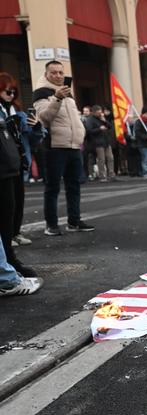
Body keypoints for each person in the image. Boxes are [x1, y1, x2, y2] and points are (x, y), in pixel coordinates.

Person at [32, 60, 94, 235]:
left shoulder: (69, 93)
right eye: (54, 73)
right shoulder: (41, 92)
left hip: (74, 146)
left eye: (60, 72)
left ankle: (74, 221)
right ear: (47, 74)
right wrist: (57, 98)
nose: (58, 76)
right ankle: (51, 225)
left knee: (74, 186)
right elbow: (44, 118)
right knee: (52, 187)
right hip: (54, 147)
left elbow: (74, 119)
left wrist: (80, 134)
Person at [0, 74, 42, 274]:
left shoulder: (16, 111)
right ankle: (8, 263)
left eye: (13, 91)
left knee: (13, 208)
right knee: (5, 213)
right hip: (4, 164)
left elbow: (33, 138)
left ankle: (10, 254)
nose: (10, 94)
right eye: (6, 90)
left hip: (14, 163)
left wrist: (37, 127)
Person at [83, 105, 115, 182]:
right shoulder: (90, 120)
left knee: (110, 158)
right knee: (102, 159)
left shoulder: (102, 119)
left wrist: (104, 120)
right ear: (94, 112)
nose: (100, 114)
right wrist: (99, 129)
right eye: (98, 113)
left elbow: (110, 127)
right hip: (98, 142)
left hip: (106, 141)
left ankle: (111, 175)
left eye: (101, 112)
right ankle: (102, 175)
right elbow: (89, 130)